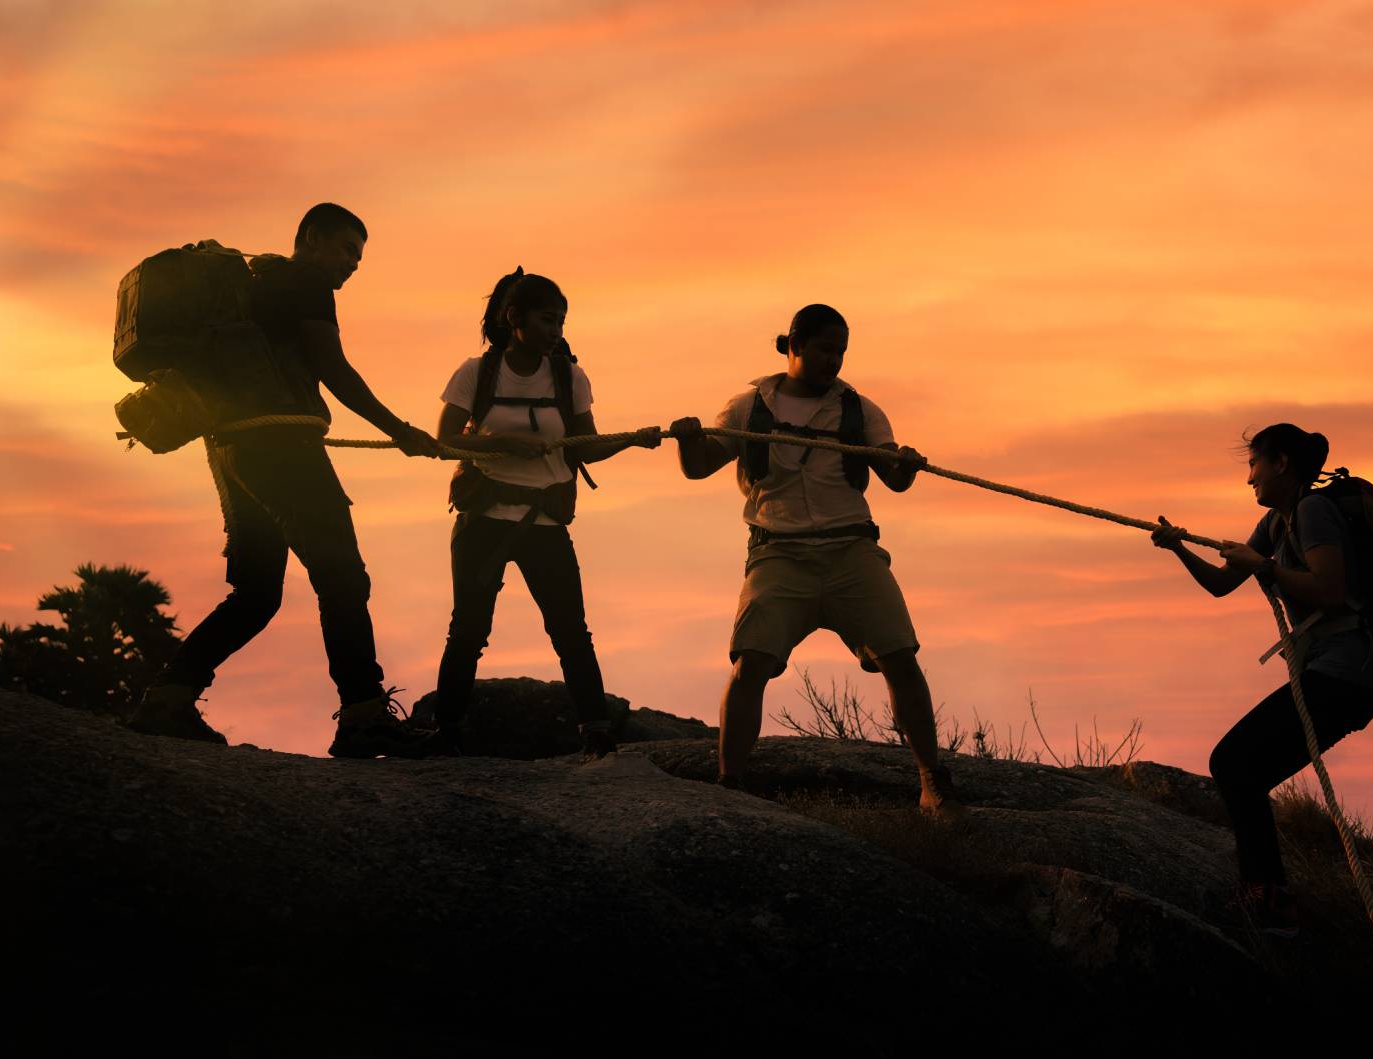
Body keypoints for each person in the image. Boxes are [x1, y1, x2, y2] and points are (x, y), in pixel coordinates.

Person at [129, 202, 443, 757]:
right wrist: (401, 430)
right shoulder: (305, 282)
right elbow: (333, 367)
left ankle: (168, 699)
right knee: (343, 577)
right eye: (347, 249)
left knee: (255, 594)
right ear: (311, 239)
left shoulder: (254, 286)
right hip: (283, 446)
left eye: (359, 256)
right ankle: (363, 716)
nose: (353, 264)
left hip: (231, 450)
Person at [668, 304, 961, 814]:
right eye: (827, 349)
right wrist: (686, 439)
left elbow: (893, 478)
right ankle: (729, 786)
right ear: (793, 347)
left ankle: (931, 782)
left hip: (852, 552)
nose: (835, 360)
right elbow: (697, 468)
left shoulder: (860, 410)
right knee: (749, 663)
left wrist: (906, 464)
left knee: (901, 657)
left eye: (842, 351)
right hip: (778, 555)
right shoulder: (747, 409)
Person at [1151, 424, 1373, 937]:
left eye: (1253, 465)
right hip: (1339, 676)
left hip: (1347, 672)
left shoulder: (1312, 511)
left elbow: (1329, 589)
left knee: (1233, 763)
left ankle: (1267, 900)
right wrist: (1178, 548)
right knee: (1243, 771)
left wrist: (1264, 566)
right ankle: (1271, 902)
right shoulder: (1275, 522)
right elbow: (1221, 585)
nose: (1249, 480)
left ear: (1281, 463)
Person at [428, 270, 660, 757]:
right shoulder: (476, 372)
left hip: (547, 523)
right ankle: (445, 731)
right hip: (484, 518)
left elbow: (587, 448)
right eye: (547, 319)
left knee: (571, 630)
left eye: (561, 321)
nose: (556, 330)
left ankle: (596, 729)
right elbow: (445, 441)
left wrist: (635, 439)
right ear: (514, 318)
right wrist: (505, 443)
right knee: (468, 628)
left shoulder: (569, 376)